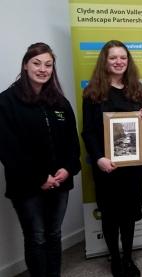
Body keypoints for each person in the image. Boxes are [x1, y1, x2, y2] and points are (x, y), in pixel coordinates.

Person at [0, 42, 81, 277]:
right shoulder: (6, 102)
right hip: (27, 186)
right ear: (25, 65)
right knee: (36, 236)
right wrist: (39, 178)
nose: (42, 69)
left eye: (48, 64)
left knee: (54, 234)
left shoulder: (60, 102)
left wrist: (68, 168)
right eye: (37, 63)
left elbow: (71, 143)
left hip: (60, 181)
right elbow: (7, 149)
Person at [82, 40, 142, 277]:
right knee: (110, 215)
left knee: (129, 215)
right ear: (105, 61)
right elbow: (88, 132)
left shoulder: (137, 91)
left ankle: (128, 257)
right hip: (106, 166)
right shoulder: (93, 92)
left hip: (132, 166)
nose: (119, 62)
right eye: (113, 58)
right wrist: (99, 158)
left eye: (123, 57)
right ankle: (115, 258)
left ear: (128, 60)